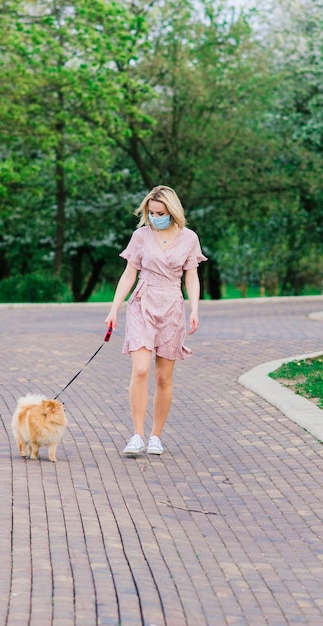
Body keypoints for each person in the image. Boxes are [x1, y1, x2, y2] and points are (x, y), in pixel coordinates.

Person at [105, 185, 207, 456]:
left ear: (172, 212)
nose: (155, 218)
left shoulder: (189, 238)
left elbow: (192, 276)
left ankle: (155, 436)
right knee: (140, 370)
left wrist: (194, 309)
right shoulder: (140, 236)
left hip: (172, 305)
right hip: (142, 302)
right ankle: (137, 434)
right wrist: (114, 309)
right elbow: (129, 274)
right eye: (151, 213)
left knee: (163, 376)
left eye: (160, 213)